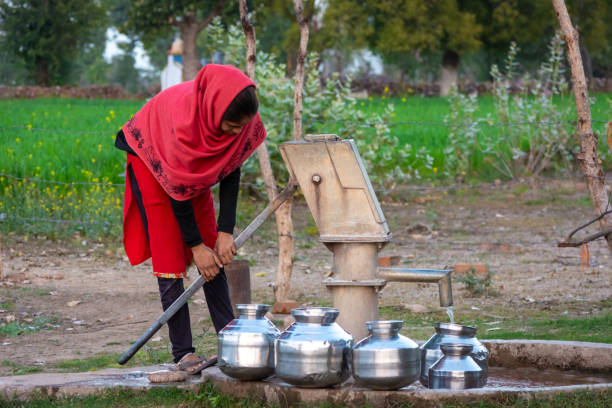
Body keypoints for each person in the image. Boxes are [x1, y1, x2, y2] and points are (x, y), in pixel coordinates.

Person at [115, 64, 266, 374]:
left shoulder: (238, 117)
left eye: (242, 127)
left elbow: (231, 169)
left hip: (185, 163)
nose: (237, 134)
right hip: (152, 156)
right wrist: (196, 247)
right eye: (232, 127)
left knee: (214, 250)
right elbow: (177, 193)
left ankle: (229, 339)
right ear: (213, 113)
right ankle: (183, 352)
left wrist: (224, 232)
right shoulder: (182, 125)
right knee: (171, 249)